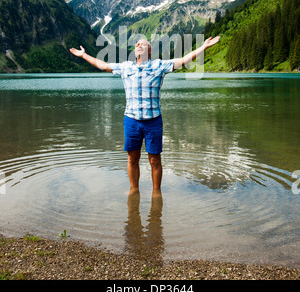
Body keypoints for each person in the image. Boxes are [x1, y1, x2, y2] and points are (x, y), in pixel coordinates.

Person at [70, 35, 220, 193]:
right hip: (131, 121)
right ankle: (134, 190)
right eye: (136, 44)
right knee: (132, 158)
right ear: (135, 51)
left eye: (143, 44)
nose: (138, 45)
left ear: (149, 51)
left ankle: (156, 192)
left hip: (153, 121)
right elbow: (103, 65)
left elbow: (183, 60)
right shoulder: (125, 67)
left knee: (155, 159)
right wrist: (84, 55)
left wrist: (204, 47)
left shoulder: (159, 66)